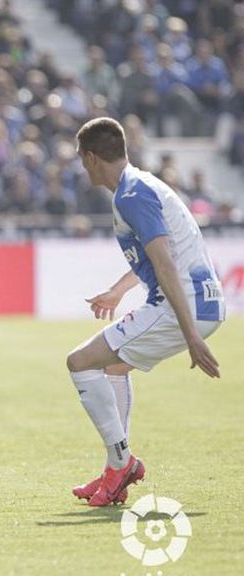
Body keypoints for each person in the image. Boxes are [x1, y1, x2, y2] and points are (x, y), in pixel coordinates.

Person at [67, 117, 223, 507]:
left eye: (81, 159)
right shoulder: (140, 184)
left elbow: (165, 263)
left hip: (179, 305)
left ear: (90, 158)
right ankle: (114, 468)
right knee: (115, 368)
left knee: (80, 362)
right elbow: (155, 257)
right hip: (198, 300)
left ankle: (122, 464)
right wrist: (118, 291)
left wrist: (191, 336)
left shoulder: (131, 195)